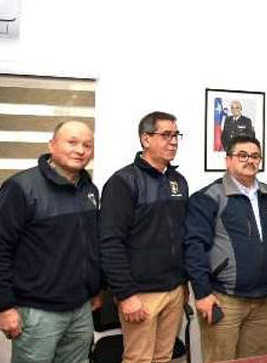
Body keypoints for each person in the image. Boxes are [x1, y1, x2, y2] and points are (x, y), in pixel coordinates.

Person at [0, 121, 101, 363]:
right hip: (37, 312)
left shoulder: (89, 189)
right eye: (72, 142)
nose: (80, 150)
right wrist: (4, 307)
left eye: (87, 145)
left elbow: (90, 245)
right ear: (52, 145)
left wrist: (96, 290)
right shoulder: (20, 188)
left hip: (80, 309)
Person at [99, 111, 188, 363]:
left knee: (164, 358)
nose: (173, 141)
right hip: (140, 294)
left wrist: (184, 285)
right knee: (138, 359)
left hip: (174, 290)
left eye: (176, 135)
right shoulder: (123, 182)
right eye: (166, 135)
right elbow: (110, 242)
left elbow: (181, 235)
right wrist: (126, 294)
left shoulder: (178, 181)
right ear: (145, 139)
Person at [184, 135, 267, 361]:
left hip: (262, 300)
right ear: (228, 161)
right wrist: (202, 293)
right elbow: (193, 247)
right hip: (223, 300)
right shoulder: (208, 197)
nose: (250, 160)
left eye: (255, 156)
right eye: (242, 155)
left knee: (258, 360)